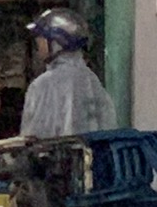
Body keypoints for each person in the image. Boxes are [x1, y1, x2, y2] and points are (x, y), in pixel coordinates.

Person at [18, 7, 121, 140]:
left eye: (42, 39)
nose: (38, 44)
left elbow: (32, 138)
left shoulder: (43, 85)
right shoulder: (91, 79)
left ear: (57, 42)